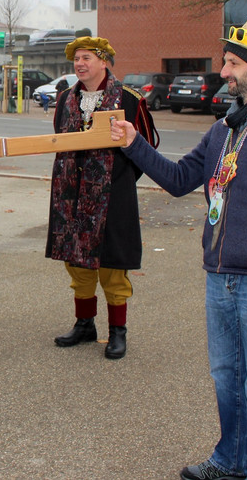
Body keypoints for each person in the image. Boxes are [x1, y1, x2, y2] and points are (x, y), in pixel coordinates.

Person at [112, 17, 247, 480]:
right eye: (225, 62)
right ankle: (230, 461)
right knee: (227, 379)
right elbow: (178, 180)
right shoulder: (223, 130)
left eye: (232, 64)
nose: (223, 71)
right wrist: (133, 143)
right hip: (220, 277)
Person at [45, 37, 157, 360]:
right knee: (77, 263)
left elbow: (146, 148)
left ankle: (117, 331)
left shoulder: (130, 100)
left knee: (112, 266)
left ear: (103, 61)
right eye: (76, 59)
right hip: (70, 195)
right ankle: (84, 324)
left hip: (112, 197)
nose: (79, 64)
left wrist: (118, 180)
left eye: (86, 58)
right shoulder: (65, 99)